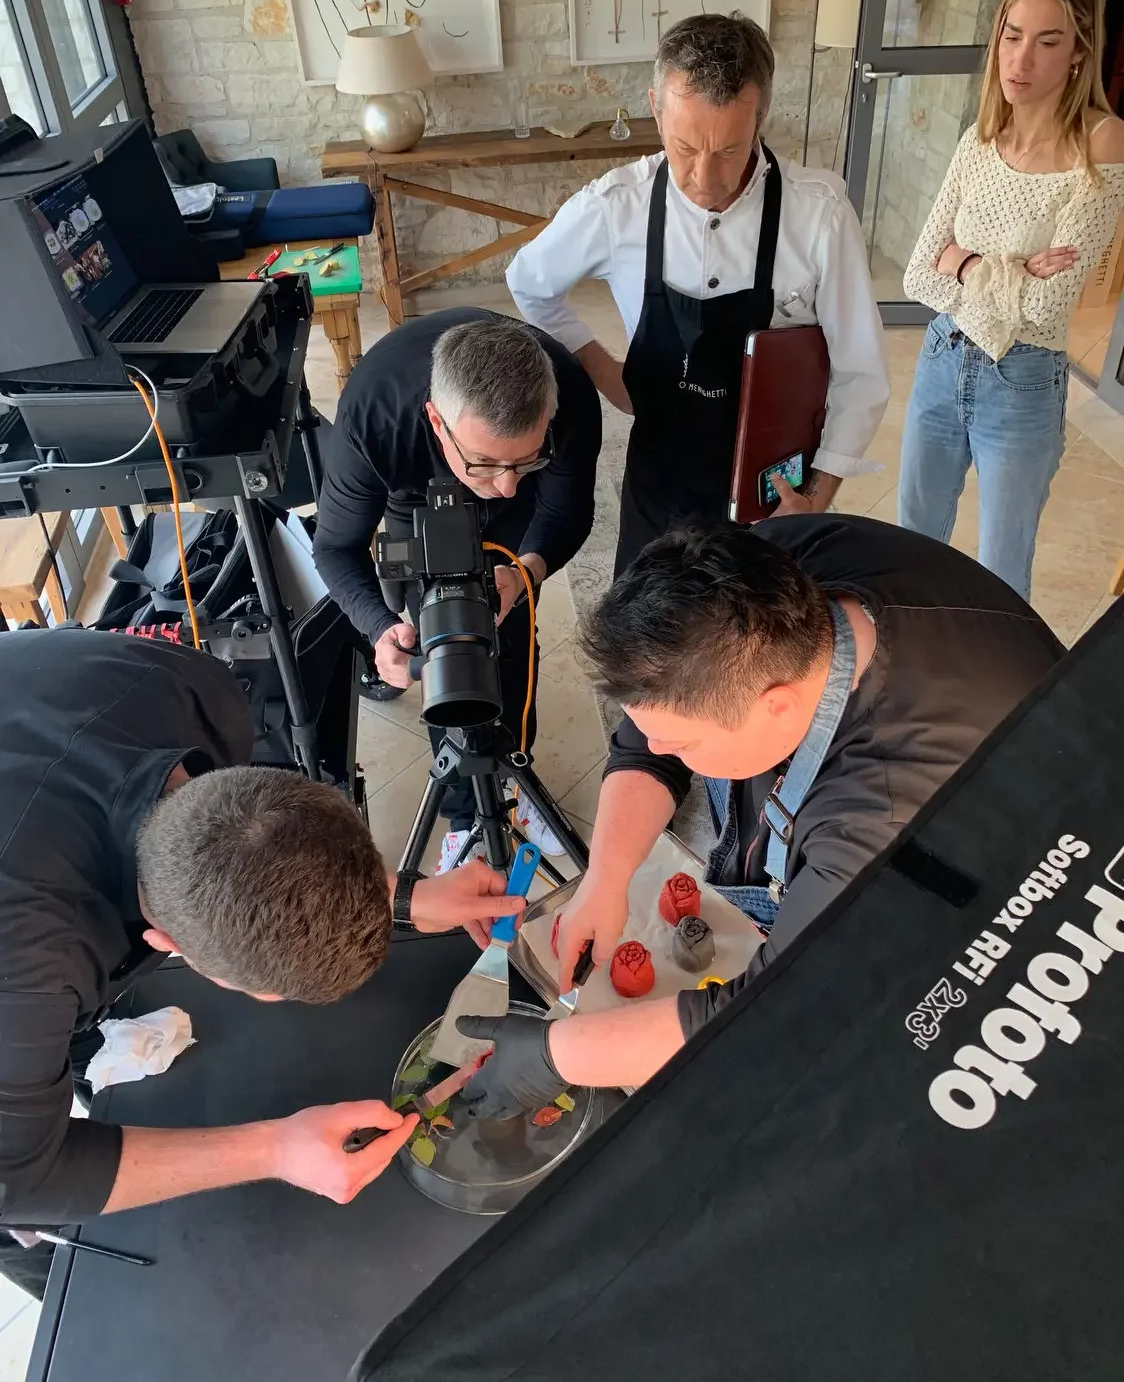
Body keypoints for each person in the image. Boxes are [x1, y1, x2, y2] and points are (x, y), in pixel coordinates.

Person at [453, 516, 1063, 1117]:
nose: (658, 749)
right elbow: (647, 735)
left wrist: (555, 1056)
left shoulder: (880, 813)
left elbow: (775, 1009)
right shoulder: (761, 570)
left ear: (775, 708)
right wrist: (606, 881)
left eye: (683, 746)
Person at [0, 628, 529, 1298]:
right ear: (169, 947)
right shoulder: (28, 976)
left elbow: (255, 844)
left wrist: (405, 896)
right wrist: (273, 1148)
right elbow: (19, 1181)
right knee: (73, 1268)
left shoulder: (204, 698)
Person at [506, 12, 890, 574]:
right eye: (685, 149)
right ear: (656, 107)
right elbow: (529, 281)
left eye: (730, 151)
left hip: (770, 496)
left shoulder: (820, 214)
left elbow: (861, 373)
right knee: (645, 649)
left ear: (761, 118)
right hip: (657, 485)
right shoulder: (618, 206)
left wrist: (815, 498)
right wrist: (603, 369)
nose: (706, 179)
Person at [313, 309, 601, 868]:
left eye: (527, 459)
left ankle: (513, 784)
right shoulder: (375, 419)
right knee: (436, 639)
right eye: (488, 463)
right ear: (437, 420)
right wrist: (379, 629)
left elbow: (565, 513)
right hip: (414, 496)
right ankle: (466, 819)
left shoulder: (569, 398)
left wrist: (525, 573)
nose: (507, 484)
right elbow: (334, 548)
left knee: (506, 630)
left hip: (505, 514)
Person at [899, 0, 1124, 601]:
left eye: (1048, 42)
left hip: (1022, 382)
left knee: (1002, 568)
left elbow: (1047, 307)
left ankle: (1001, 696)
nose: (1021, 60)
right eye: (1012, 35)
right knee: (914, 539)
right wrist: (1006, 271)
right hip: (942, 360)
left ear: (1079, 54)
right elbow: (919, 271)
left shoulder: (1100, 146)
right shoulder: (979, 139)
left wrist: (965, 262)